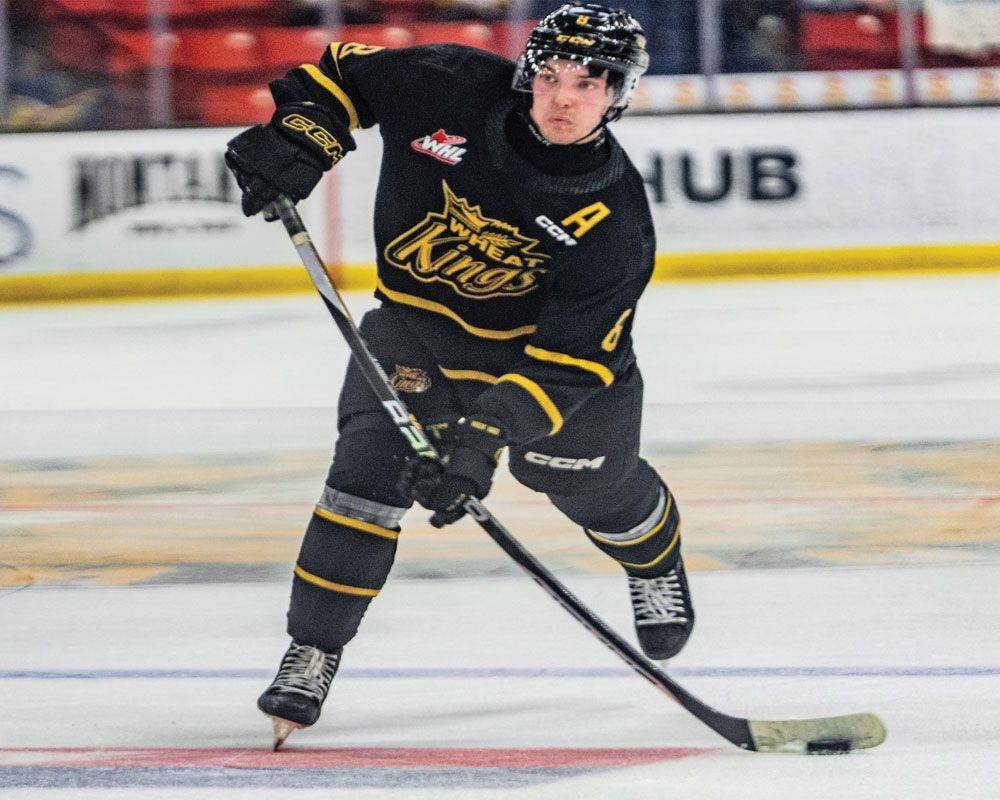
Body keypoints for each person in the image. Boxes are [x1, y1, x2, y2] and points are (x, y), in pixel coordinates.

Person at [225, 2, 696, 746]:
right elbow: (340, 78)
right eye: (550, 75)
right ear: (526, 72)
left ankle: (655, 560)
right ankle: (313, 650)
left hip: (539, 364)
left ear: (621, 93)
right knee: (363, 482)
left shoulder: (612, 218)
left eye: (591, 82)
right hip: (416, 331)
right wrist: (304, 136)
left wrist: (483, 439)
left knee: (576, 479)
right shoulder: (446, 82)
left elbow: (572, 362)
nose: (564, 97)